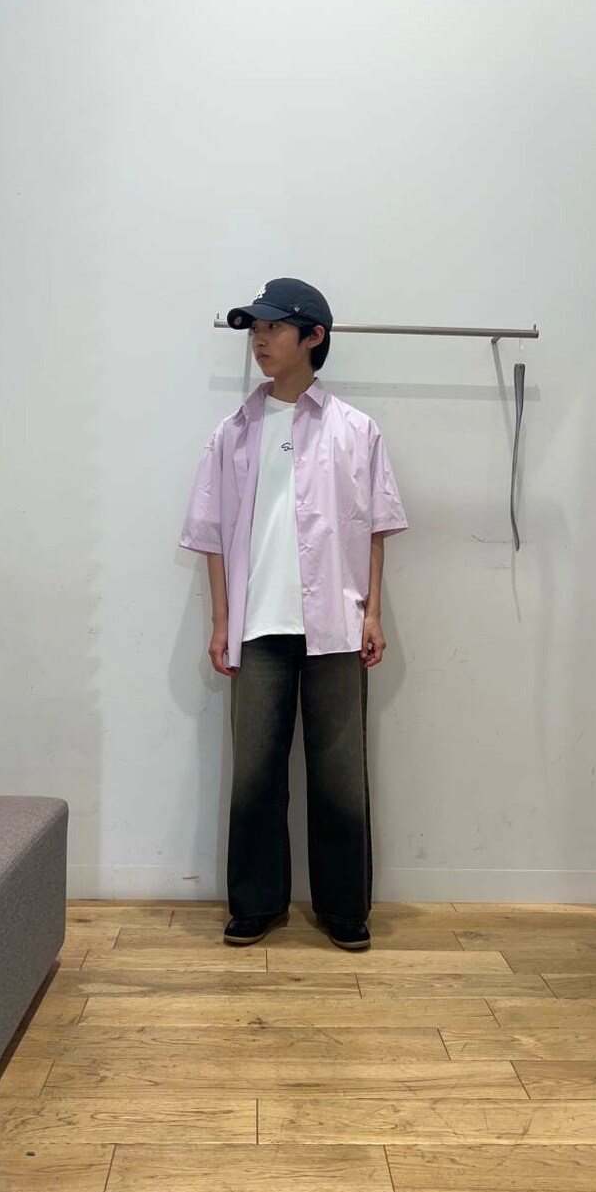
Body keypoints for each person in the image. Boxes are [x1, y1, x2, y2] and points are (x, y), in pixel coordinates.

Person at [179, 278, 408, 951]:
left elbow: (375, 530)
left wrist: (372, 613)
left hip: (336, 624)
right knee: (254, 773)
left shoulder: (356, 431)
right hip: (258, 629)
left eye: (273, 327)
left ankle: (344, 907)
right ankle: (255, 902)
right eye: (253, 329)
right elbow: (212, 535)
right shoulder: (232, 434)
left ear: (313, 336)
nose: (259, 339)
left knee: (340, 776)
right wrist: (221, 623)